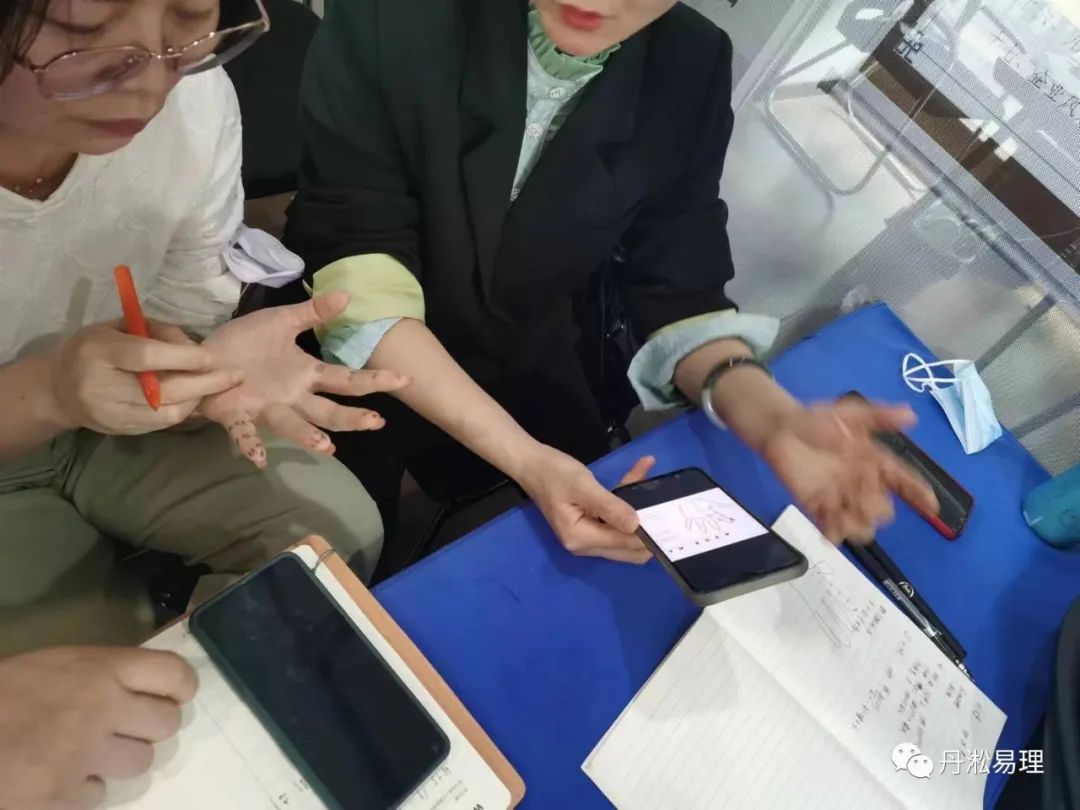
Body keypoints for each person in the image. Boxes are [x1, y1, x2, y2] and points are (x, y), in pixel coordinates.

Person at [281, 0, 939, 561]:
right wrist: (527, 460)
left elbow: (677, 279)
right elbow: (360, 262)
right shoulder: (398, 13)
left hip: (521, 348)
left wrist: (771, 419)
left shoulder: (690, 61)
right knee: (330, 558)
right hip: (336, 348)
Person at [0, 1, 407, 805]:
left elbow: (175, 310)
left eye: (188, 23)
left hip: (101, 417)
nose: (152, 86)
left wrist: (202, 368)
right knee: (89, 700)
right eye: (85, 32)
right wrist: (50, 389)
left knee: (329, 542)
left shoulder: (194, 104)